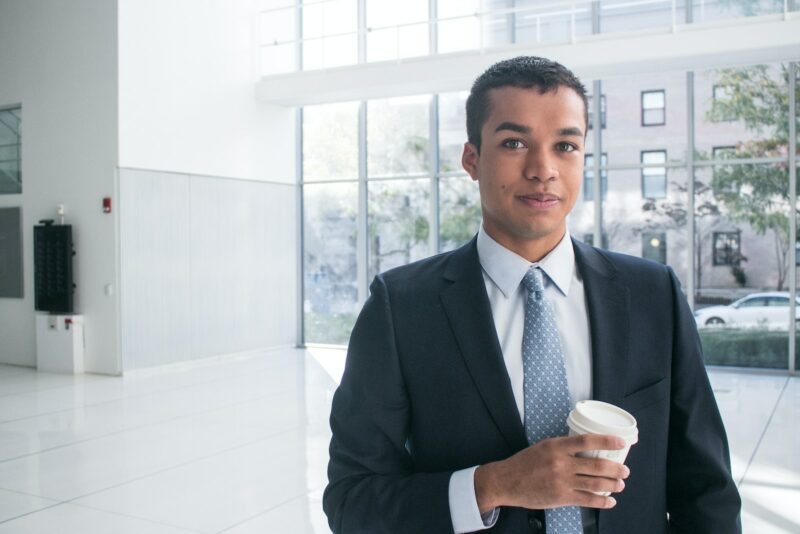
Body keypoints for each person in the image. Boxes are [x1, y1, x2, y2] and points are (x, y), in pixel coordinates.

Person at [323, 56, 741, 534]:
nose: (543, 170)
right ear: (472, 159)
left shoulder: (652, 294)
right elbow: (352, 501)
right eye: (514, 142)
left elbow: (707, 490)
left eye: (565, 145)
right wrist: (492, 484)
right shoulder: (402, 308)